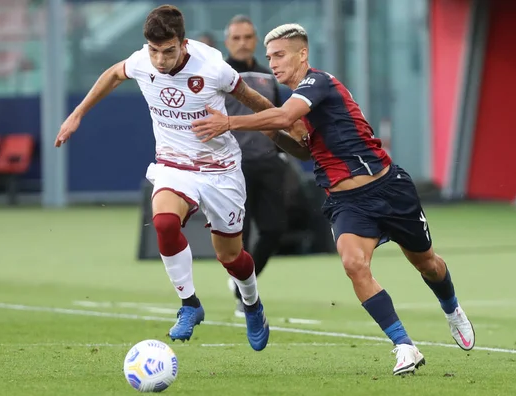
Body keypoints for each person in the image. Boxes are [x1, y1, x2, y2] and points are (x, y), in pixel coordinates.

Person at [191, 23, 475, 375]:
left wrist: (231, 122)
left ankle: (452, 309)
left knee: (427, 263)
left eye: (279, 55)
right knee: (354, 265)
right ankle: (404, 346)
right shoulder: (296, 100)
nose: (273, 63)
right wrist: (273, 133)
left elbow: (284, 116)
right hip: (346, 203)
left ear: (302, 54)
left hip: (388, 189)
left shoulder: (318, 83)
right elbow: (303, 152)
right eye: (269, 57)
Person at [53, 5, 303, 352]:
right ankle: (190, 305)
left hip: (220, 170)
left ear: (183, 44)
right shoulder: (143, 60)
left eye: (168, 51)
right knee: (165, 224)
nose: (159, 59)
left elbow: (252, 98)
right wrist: (77, 114)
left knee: (231, 256)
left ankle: (252, 304)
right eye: (154, 50)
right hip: (174, 165)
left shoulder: (213, 68)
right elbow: (113, 74)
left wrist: (287, 121)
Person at [223, 15, 288, 317]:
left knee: (275, 230)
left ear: (255, 39)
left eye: (247, 37)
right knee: (241, 236)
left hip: (269, 163)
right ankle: (244, 297)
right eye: (236, 38)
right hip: (233, 166)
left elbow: (278, 118)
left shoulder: (269, 76)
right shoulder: (217, 75)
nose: (242, 43)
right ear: (228, 42)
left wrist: (282, 151)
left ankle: (240, 286)